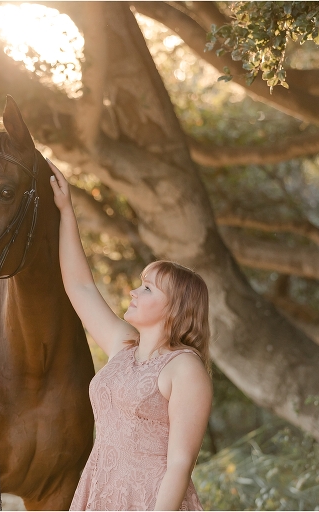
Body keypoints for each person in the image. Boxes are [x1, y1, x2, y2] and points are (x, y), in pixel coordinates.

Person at [47, 159, 212, 511]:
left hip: (151, 502)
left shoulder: (184, 369)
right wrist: (66, 212)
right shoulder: (123, 347)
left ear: (175, 309)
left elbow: (180, 465)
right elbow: (80, 286)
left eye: (148, 289)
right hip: (100, 491)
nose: (135, 292)